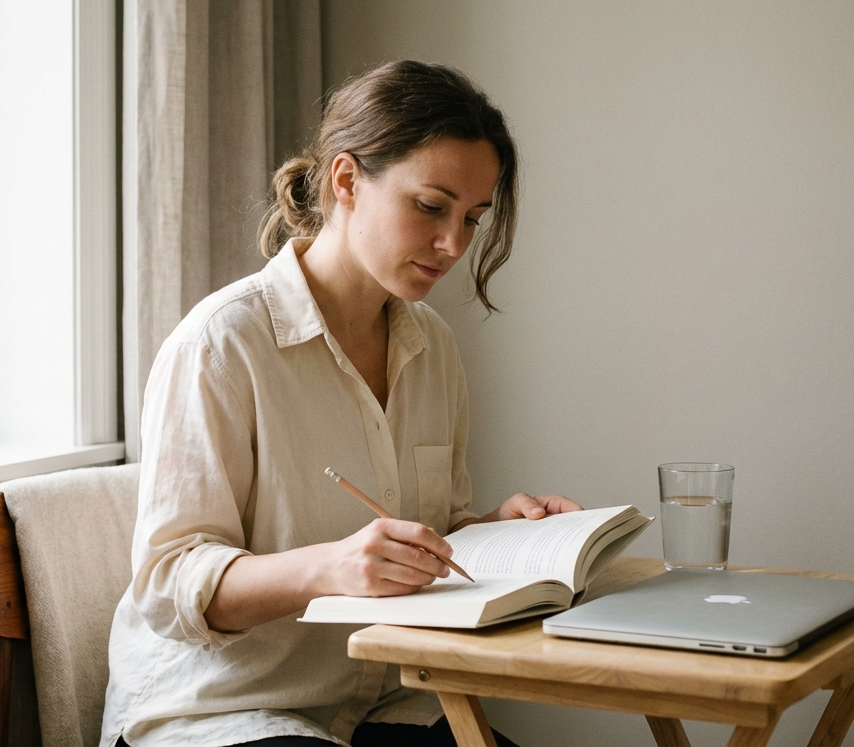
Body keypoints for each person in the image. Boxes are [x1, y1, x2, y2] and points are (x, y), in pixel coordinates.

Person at [100, 60, 581, 747]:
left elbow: (427, 534)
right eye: (430, 206)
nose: (453, 245)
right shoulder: (221, 344)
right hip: (218, 714)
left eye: (473, 218)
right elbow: (168, 584)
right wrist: (326, 569)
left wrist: (496, 532)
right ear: (346, 179)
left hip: (385, 705)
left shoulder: (431, 347)